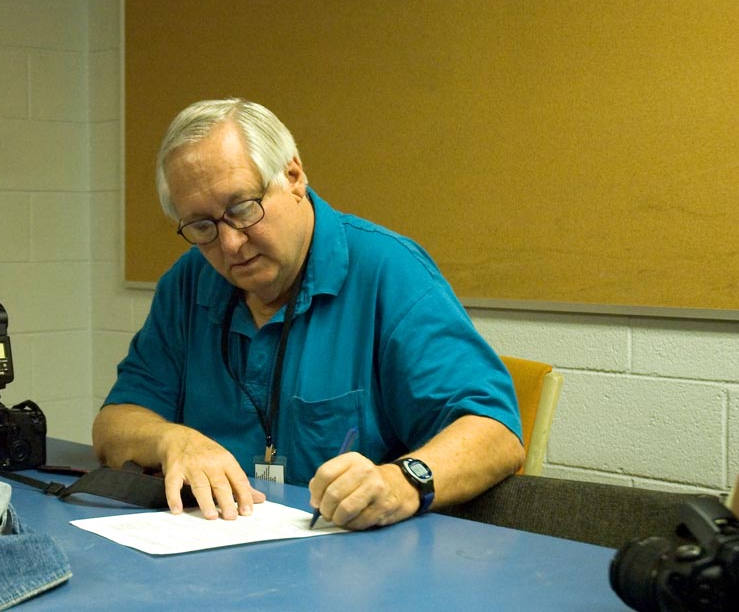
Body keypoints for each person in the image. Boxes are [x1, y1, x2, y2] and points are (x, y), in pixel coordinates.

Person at [92, 98, 525, 530]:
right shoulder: (188, 283)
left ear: (293, 177)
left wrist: (399, 482)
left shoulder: (389, 272)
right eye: (202, 227)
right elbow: (115, 425)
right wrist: (172, 440)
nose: (230, 246)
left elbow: (496, 435)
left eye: (242, 209)